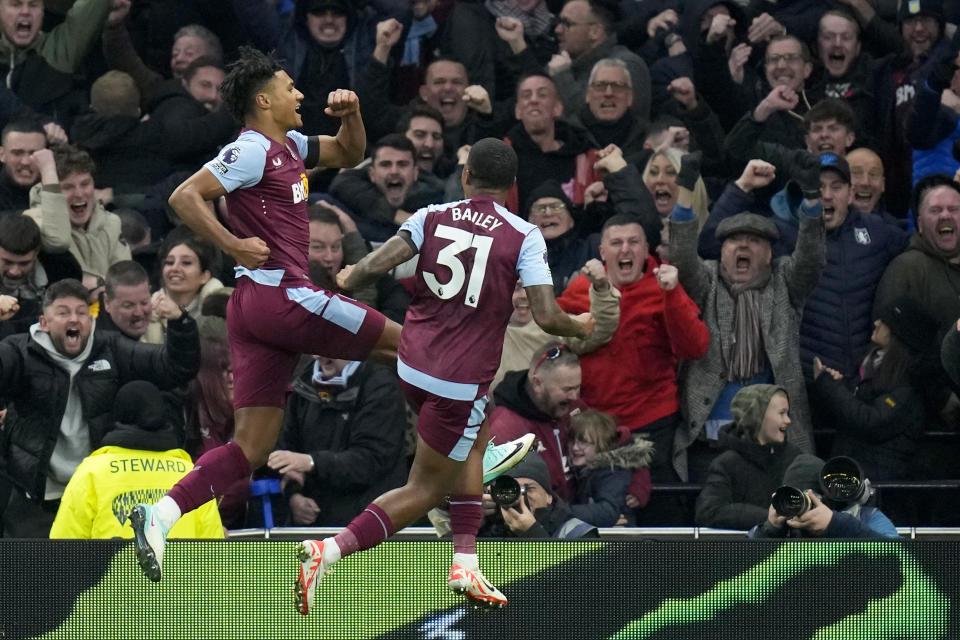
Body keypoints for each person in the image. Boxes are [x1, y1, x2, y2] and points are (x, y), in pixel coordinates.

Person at [128, 47, 401, 582]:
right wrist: (232, 244)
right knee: (410, 345)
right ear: (263, 100)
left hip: (254, 310)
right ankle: (464, 450)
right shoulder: (252, 149)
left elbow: (349, 153)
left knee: (251, 446)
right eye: (290, 88)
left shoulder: (291, 145)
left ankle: (160, 514)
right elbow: (185, 198)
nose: (300, 95)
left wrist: (352, 115)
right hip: (282, 295)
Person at [295, 138, 594, 612]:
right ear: (512, 187)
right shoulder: (524, 235)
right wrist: (580, 324)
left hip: (412, 364)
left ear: (466, 178)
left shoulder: (430, 215)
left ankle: (466, 564)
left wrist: (347, 277)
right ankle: (328, 551)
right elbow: (546, 316)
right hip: (458, 382)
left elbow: (369, 268)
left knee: (478, 434)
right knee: (426, 488)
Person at [0, 278, 200, 538]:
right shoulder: (20, 351)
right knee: (31, 578)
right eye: (63, 312)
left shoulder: (110, 348)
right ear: (44, 322)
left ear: (91, 321)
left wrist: (180, 322)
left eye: (82, 312)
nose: (74, 319)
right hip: (35, 495)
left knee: (95, 578)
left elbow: (174, 368)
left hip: (93, 495)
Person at [669, 156, 824, 481]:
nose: (743, 245)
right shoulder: (706, 281)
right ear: (720, 252)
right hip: (707, 440)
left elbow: (810, 257)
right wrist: (685, 190)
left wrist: (812, 197)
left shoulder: (785, 281)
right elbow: (682, 255)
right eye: (734, 241)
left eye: (754, 241)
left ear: (770, 254)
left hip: (773, 443)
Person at [558, 214, 710, 481]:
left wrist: (672, 294)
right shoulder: (581, 288)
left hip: (653, 422)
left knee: (656, 505)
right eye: (616, 243)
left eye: (633, 242)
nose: (625, 249)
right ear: (603, 252)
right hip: (594, 424)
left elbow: (695, 347)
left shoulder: (664, 286)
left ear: (645, 249)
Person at [49, 381, 223, 539]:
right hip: (180, 575)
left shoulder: (92, 473)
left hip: (112, 574)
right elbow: (214, 553)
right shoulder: (191, 474)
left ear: (118, 416)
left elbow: (63, 550)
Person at [266, 356, 408, 526]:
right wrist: (294, 496)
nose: (317, 355)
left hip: (372, 527)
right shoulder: (303, 382)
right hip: (316, 531)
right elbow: (288, 450)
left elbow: (372, 460)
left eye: (327, 343)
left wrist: (311, 462)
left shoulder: (381, 384)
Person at [812, 297, 934, 481]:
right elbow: (851, 409)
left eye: (885, 320)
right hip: (851, 477)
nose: (876, 322)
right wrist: (838, 386)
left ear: (898, 333)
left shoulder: (908, 386)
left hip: (879, 485)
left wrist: (831, 388)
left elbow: (871, 422)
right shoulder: (869, 364)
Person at [694, 385, 802, 531]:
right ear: (758, 416)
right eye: (781, 413)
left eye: (787, 413)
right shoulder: (726, 463)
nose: (788, 420)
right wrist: (769, 518)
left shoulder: (795, 457)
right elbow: (708, 512)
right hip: (743, 549)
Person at [29, 144, 132, 283]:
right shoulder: (33, 220)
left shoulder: (111, 222)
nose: (79, 194)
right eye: (67, 187)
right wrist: (48, 170)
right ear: (47, 190)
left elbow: (126, 279)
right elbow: (57, 241)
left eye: (85, 184)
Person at [328, 133, 445, 243]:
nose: (394, 171)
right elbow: (338, 184)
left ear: (415, 173)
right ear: (372, 174)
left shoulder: (435, 203)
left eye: (402, 164)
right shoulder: (353, 202)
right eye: (385, 164)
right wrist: (394, 214)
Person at [749, 454, 899, 539]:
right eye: (795, 499)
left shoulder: (866, 518)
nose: (803, 510)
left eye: (811, 499)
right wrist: (770, 531)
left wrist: (835, 524)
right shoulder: (783, 525)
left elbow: (902, 557)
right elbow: (740, 575)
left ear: (828, 498)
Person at [549, 0, 651, 120]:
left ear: (595, 32)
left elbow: (598, 125)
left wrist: (563, 77)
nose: (558, 30)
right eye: (558, 22)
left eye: (567, 24)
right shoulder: (564, 65)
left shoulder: (626, 66)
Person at [479, 449, 599, 539]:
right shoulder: (489, 524)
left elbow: (572, 573)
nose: (520, 496)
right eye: (511, 490)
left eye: (528, 489)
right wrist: (474, 523)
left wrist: (532, 532)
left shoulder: (576, 533)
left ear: (549, 497)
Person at [567, 409, 652, 527]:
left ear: (602, 445)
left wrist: (563, 513)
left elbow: (608, 511)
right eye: (572, 440)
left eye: (584, 442)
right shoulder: (588, 471)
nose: (575, 447)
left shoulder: (612, 472)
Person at [143, 227, 224, 344]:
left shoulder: (218, 302)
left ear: (205, 276)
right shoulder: (151, 309)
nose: (175, 268)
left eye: (186, 263)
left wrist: (181, 319)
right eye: (169, 262)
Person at [97, 260, 153, 341]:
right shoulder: (99, 343)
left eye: (144, 303)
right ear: (107, 302)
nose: (139, 313)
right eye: (129, 306)